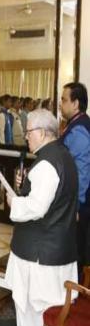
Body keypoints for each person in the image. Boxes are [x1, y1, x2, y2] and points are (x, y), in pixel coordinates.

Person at [4, 109, 79, 326]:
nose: (26, 137)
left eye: (29, 132)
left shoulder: (47, 164)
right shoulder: (64, 157)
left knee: (31, 308)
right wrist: (25, 187)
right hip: (57, 249)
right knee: (47, 311)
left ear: (44, 133)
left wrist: (15, 201)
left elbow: (36, 207)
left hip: (39, 254)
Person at [59, 82, 90, 277]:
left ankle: (73, 291)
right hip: (75, 203)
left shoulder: (79, 130)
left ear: (76, 103)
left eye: (64, 100)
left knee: (75, 255)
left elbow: (81, 173)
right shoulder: (76, 124)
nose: (60, 104)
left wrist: (76, 206)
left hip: (78, 206)